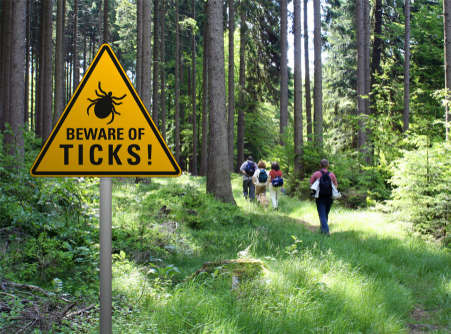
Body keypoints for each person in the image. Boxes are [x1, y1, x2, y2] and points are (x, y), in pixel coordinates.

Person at [310, 159, 338, 235]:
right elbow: (336, 185)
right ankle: (322, 230)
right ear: (328, 165)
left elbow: (311, 184)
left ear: (320, 165)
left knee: (322, 215)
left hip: (319, 197)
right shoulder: (331, 175)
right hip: (329, 197)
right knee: (325, 214)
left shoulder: (316, 174)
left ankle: (326, 231)